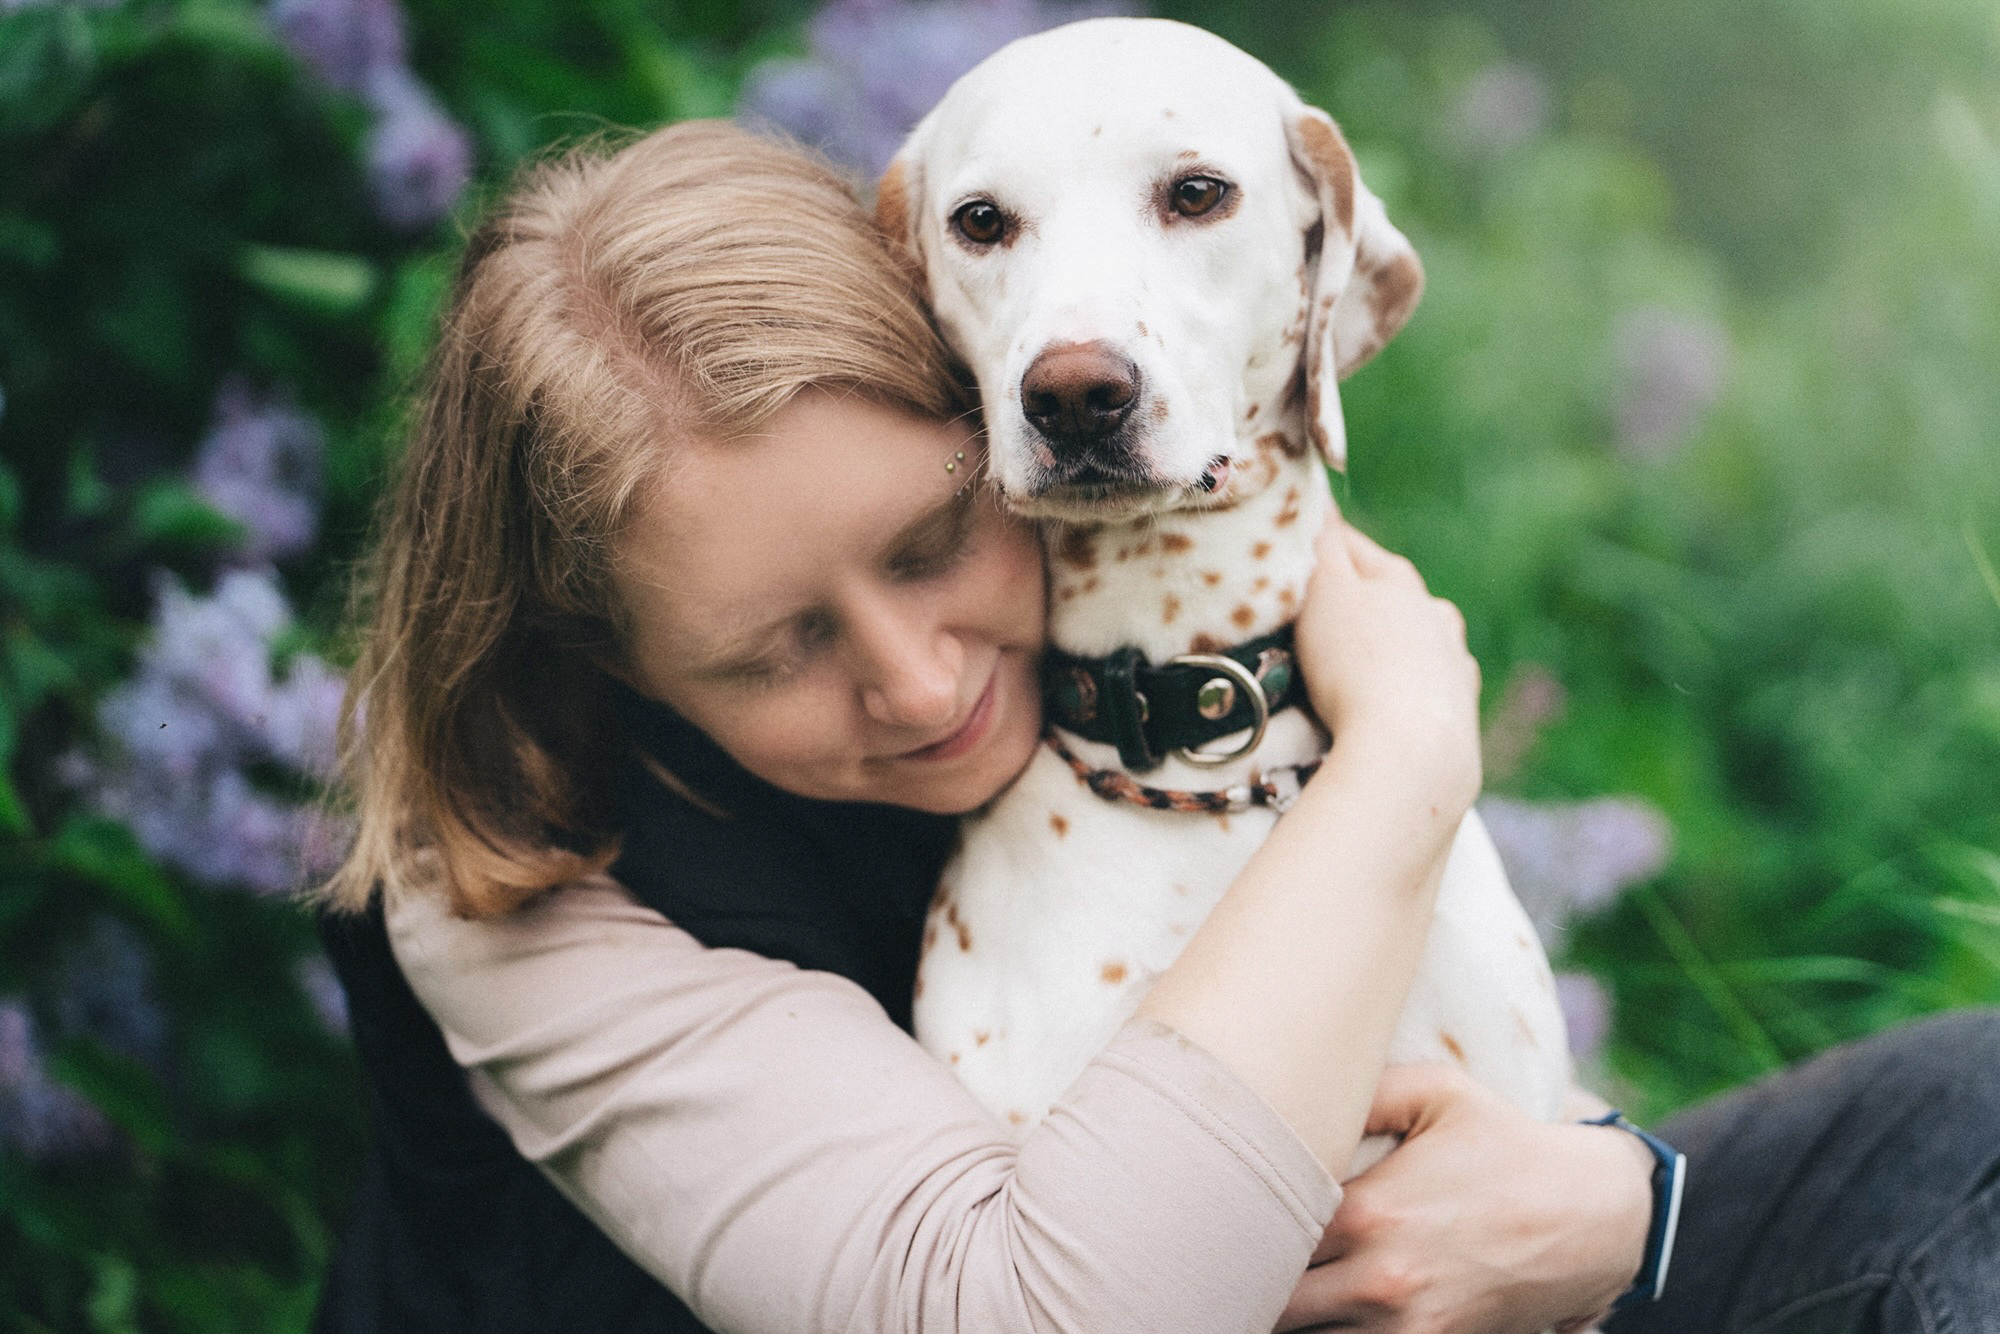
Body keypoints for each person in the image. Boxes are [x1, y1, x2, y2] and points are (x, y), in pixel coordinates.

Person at [311, 120, 2000, 1334]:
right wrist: (1407, 754)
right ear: (607, 660)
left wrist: (1625, 1207)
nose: (915, 681)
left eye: (931, 543)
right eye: (777, 652)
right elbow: (1060, 1308)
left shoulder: (1155, 599)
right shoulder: (514, 875)